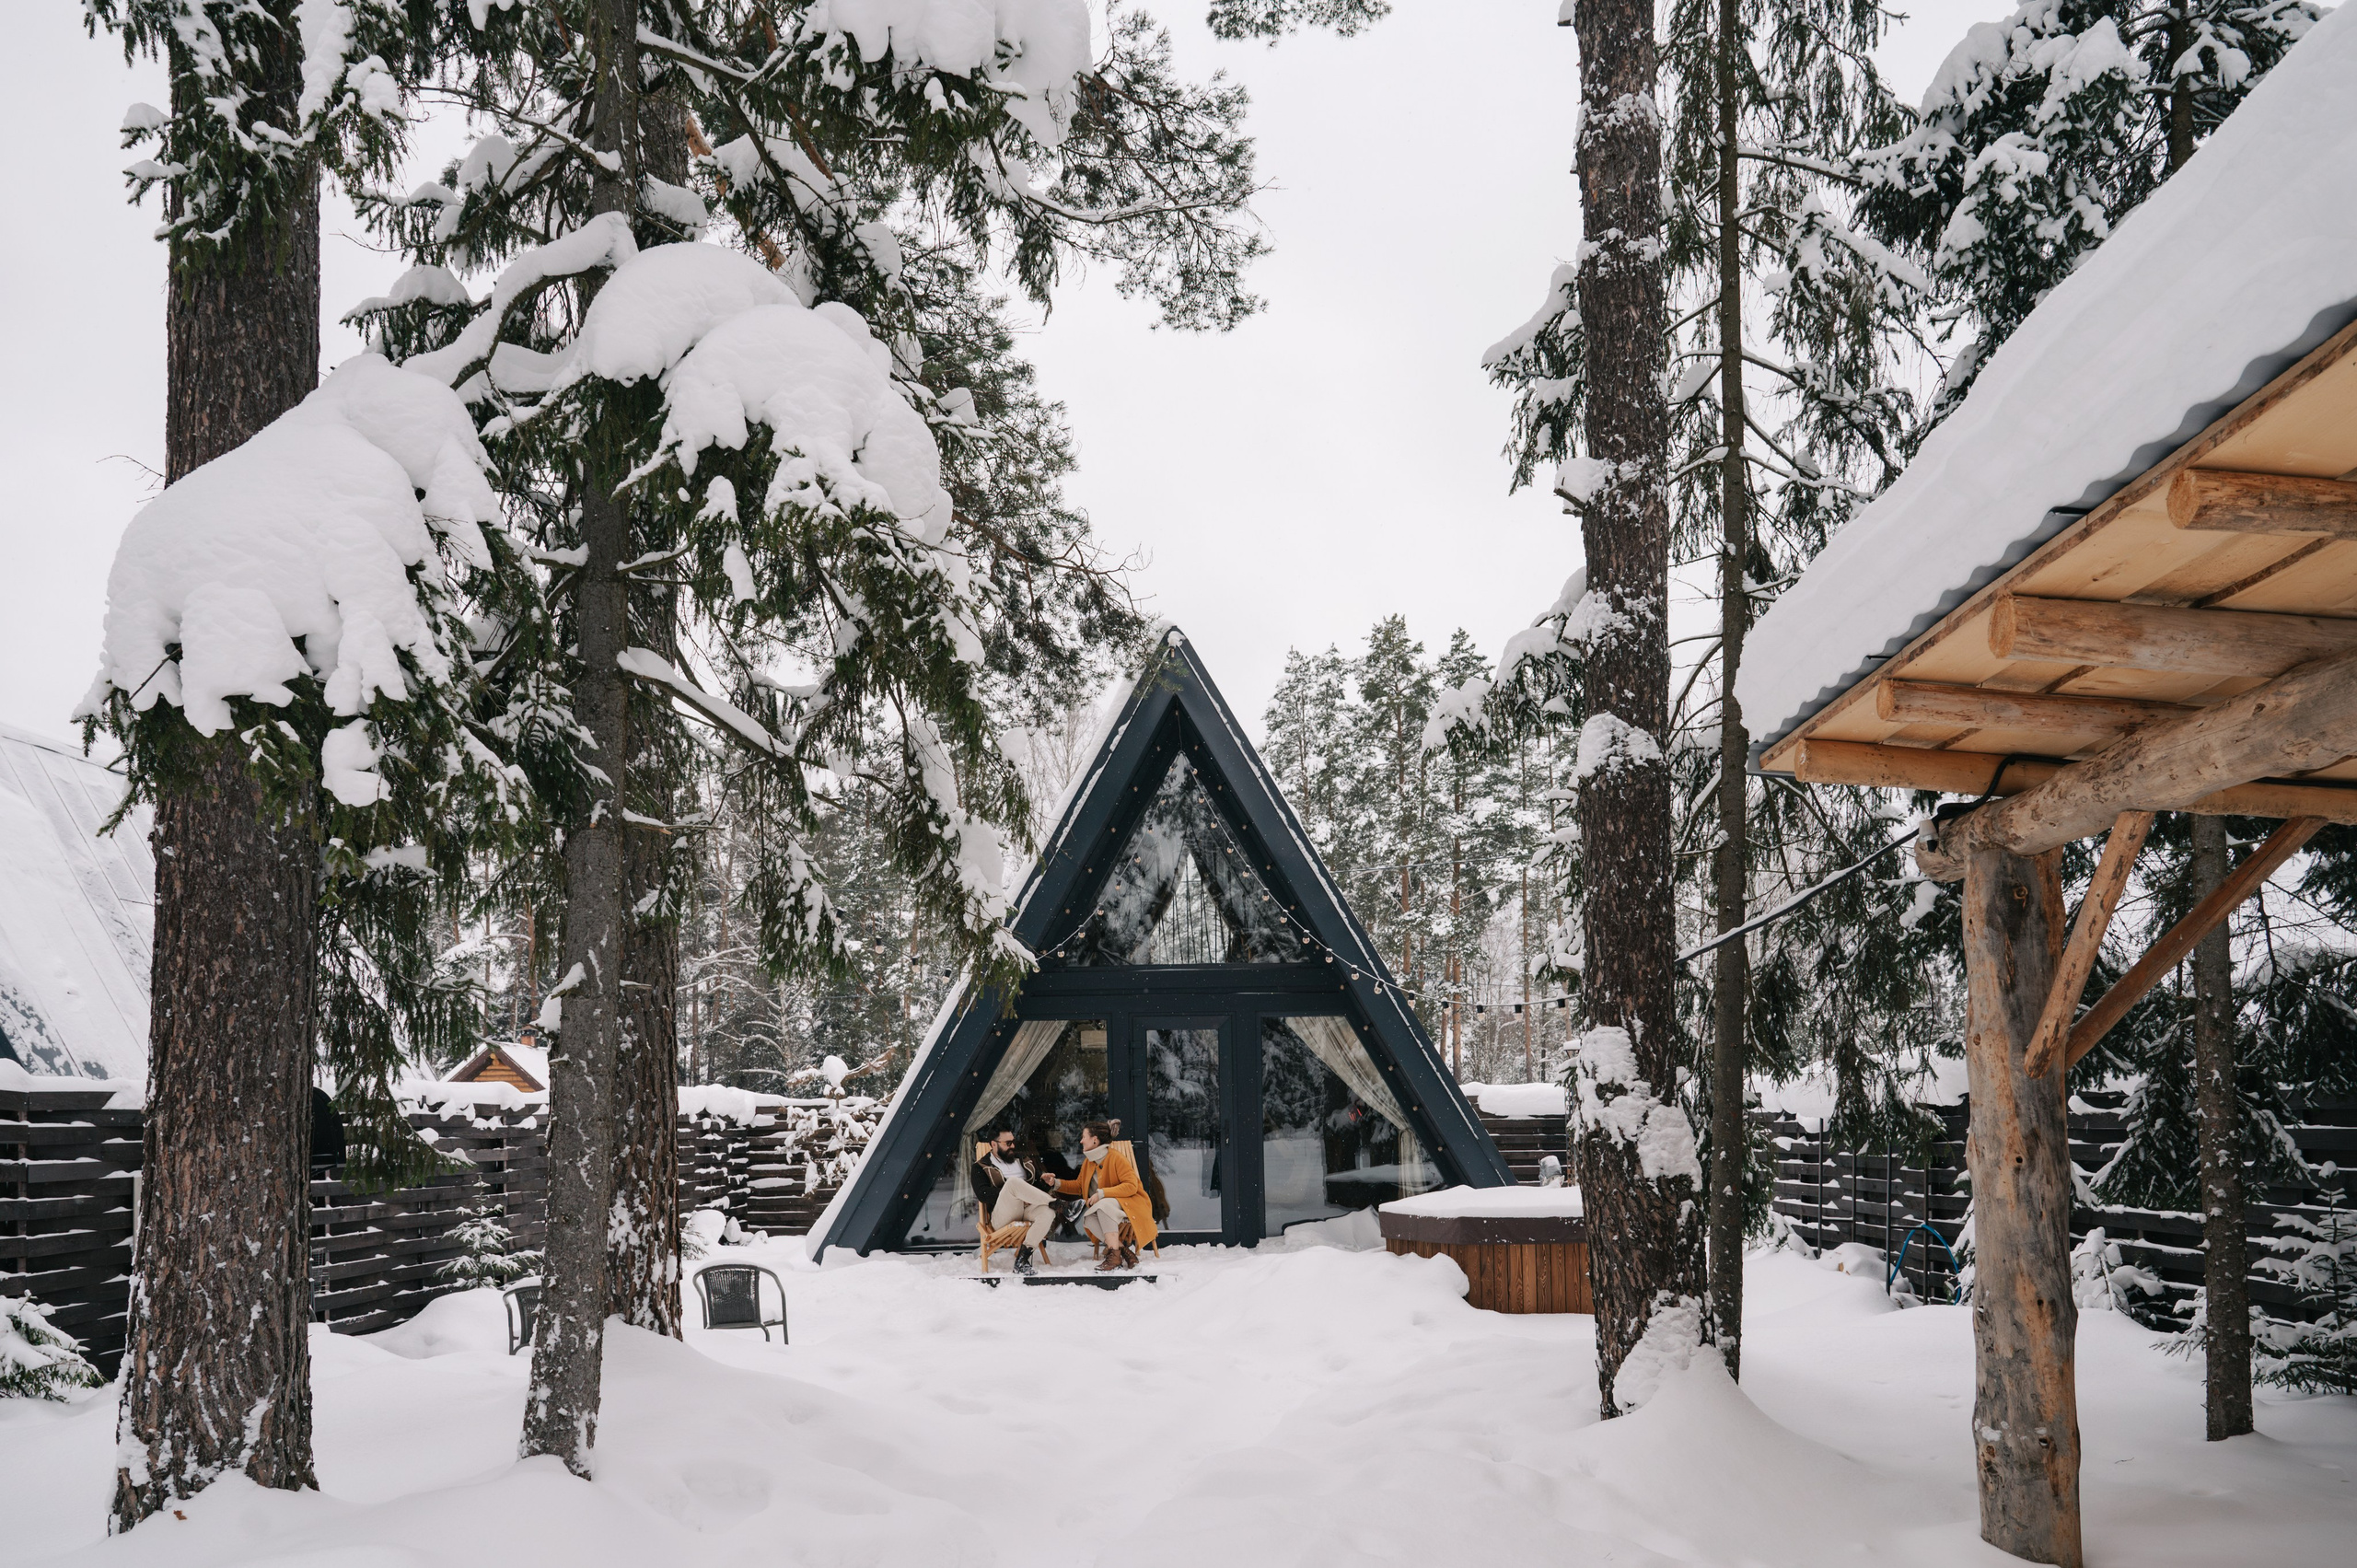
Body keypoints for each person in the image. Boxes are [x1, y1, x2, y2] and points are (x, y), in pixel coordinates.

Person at [1053, 1121, 1157, 1272]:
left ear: (1095, 1140)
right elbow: (1078, 1186)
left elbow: (1131, 1186)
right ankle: (1123, 1252)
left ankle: (1114, 1259)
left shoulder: (1116, 1158)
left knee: (1102, 1207)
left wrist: (1102, 1194)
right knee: (1088, 1218)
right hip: (1108, 1208)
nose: (1081, 1141)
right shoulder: (1088, 1162)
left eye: (1084, 1137)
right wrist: (1055, 1183)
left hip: (1129, 1204)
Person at [970, 1129, 1057, 1274]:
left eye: (1013, 1142)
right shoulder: (980, 1167)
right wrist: (1012, 1194)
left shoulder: (1023, 1161)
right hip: (1002, 1217)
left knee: (1048, 1212)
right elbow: (983, 1194)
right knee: (1012, 1183)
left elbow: (1033, 1189)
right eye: (1008, 1143)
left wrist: (1044, 1184)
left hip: (1027, 1212)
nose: (1012, 1146)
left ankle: (1022, 1259)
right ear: (994, 1144)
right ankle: (1060, 1204)